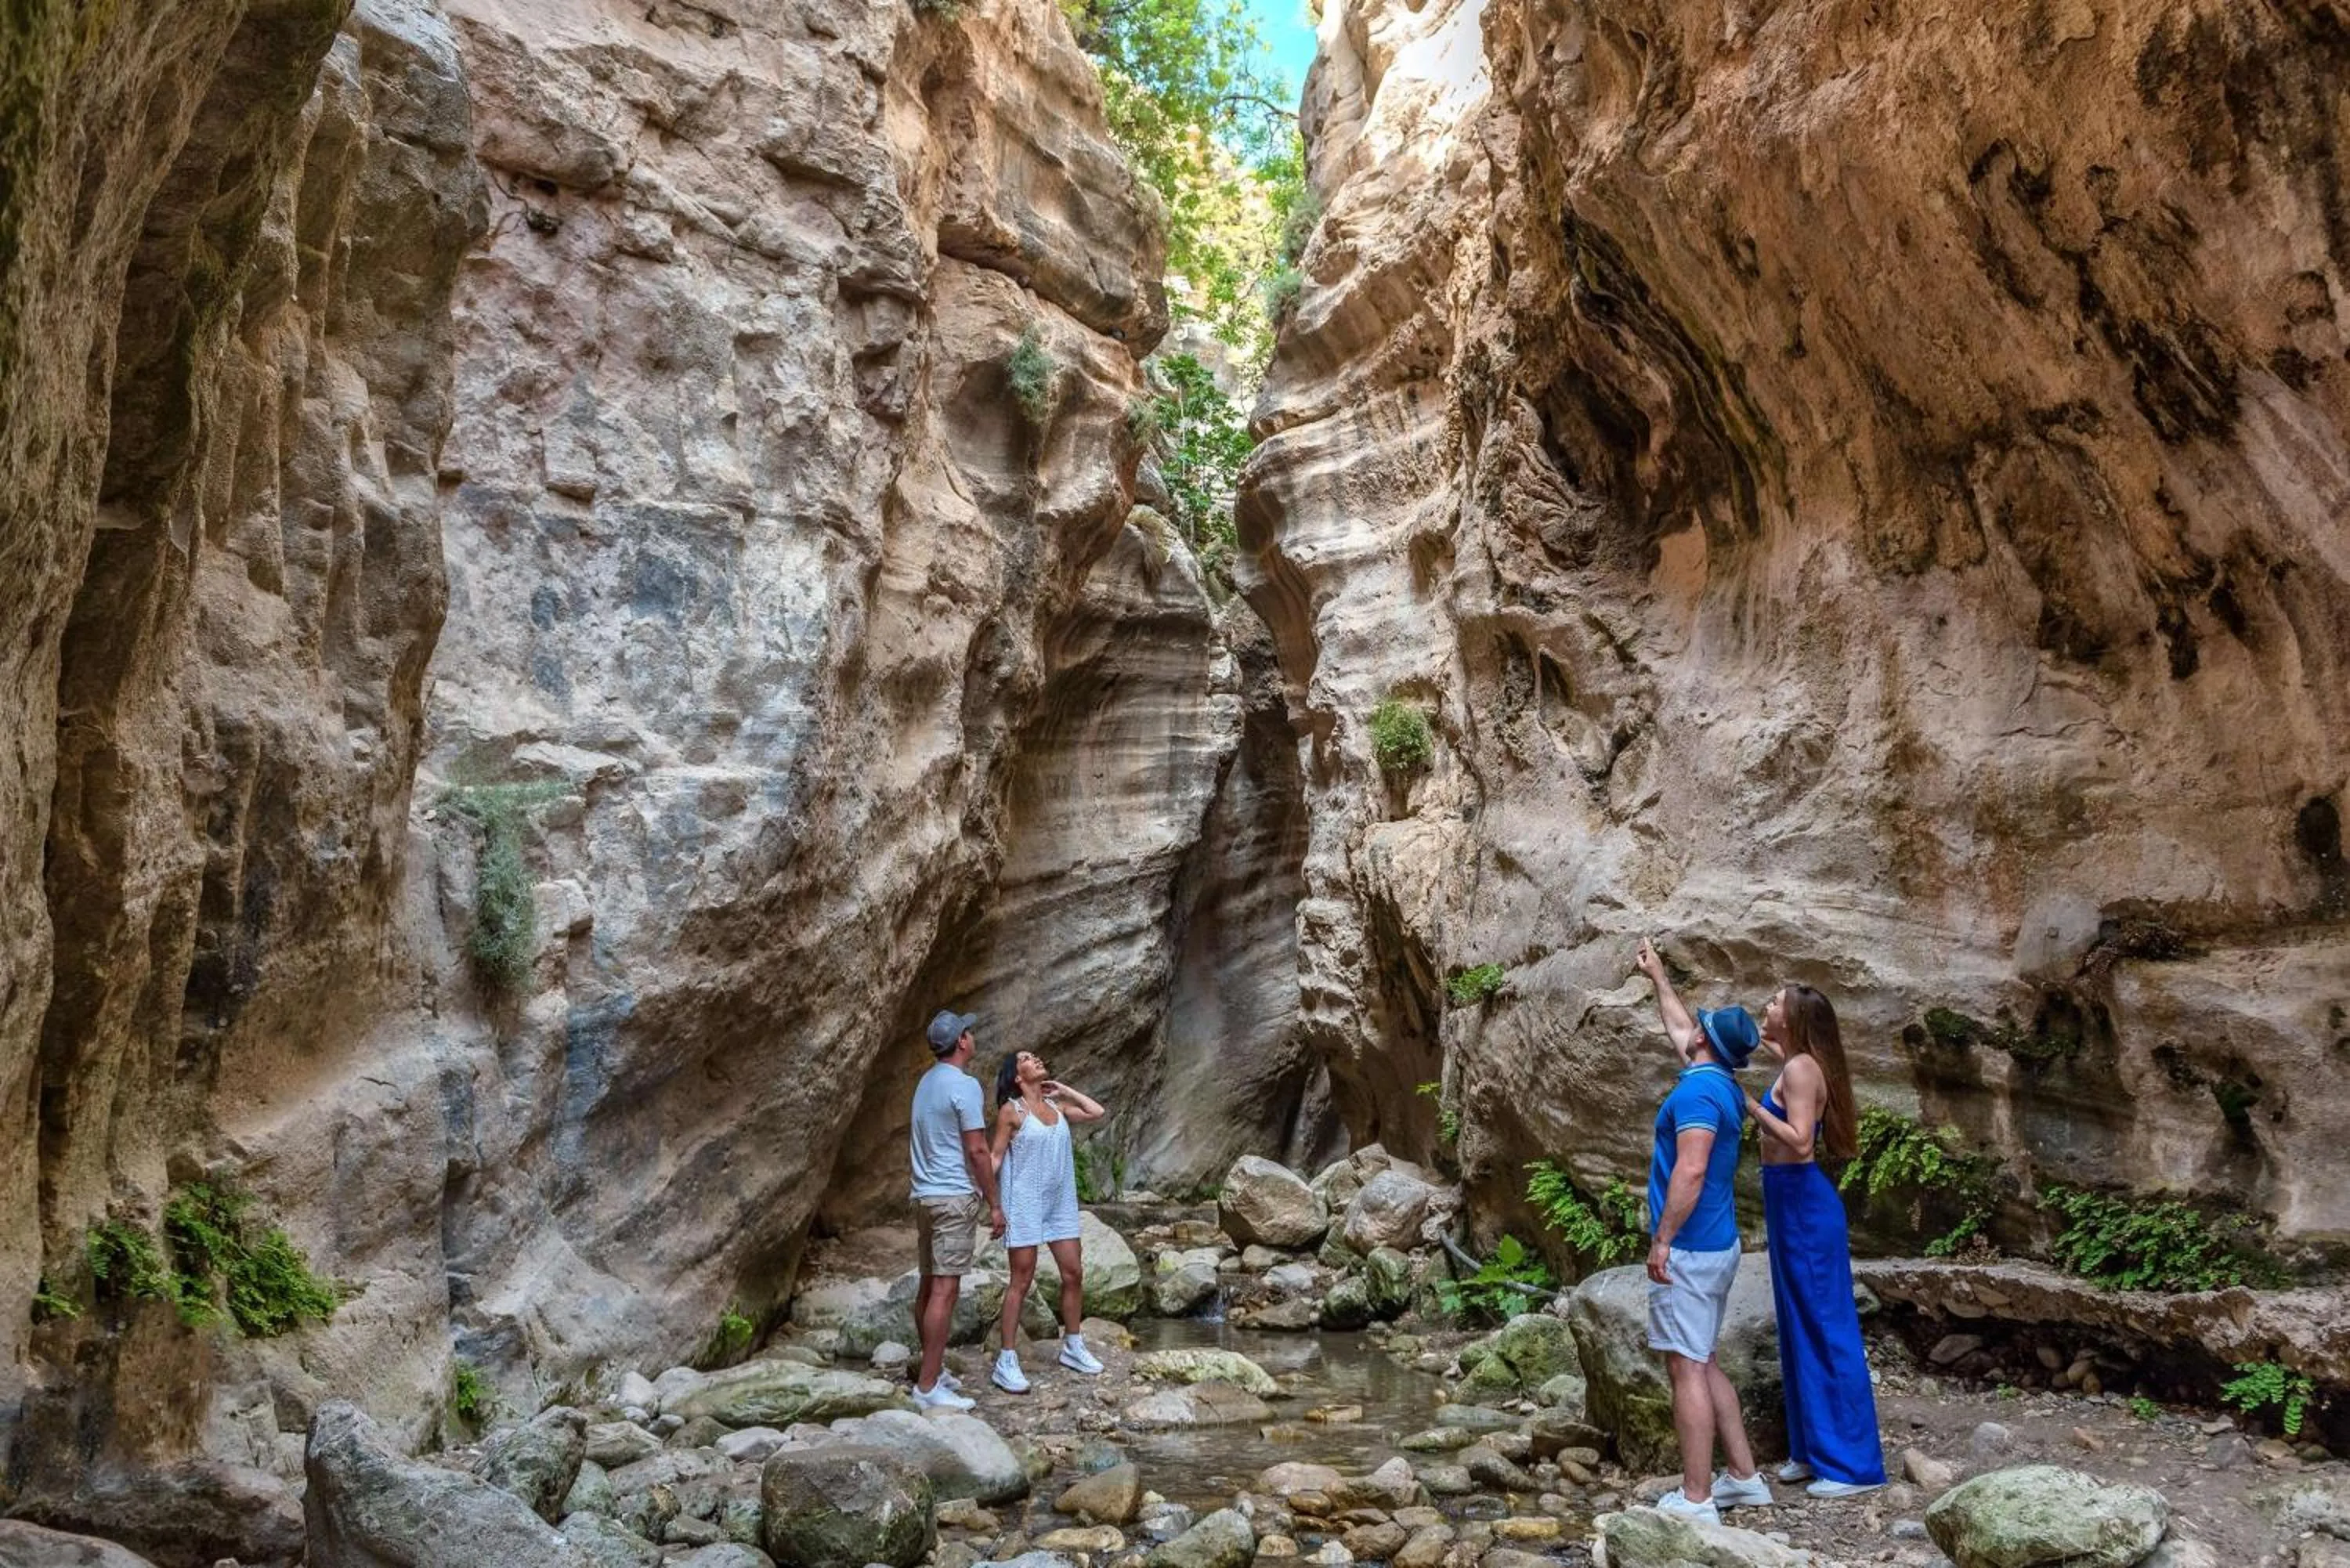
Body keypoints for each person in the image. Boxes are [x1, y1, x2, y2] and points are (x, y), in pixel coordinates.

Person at [1635, 936, 1770, 1524]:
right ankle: (1743, 1477)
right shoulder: (1721, 1085)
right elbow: (1681, 1028)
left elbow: (1690, 1168)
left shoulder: (1696, 1092)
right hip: (1720, 1244)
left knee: (1685, 1368)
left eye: (1699, 1025)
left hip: (1689, 1249)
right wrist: (1658, 978)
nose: (1689, 1027)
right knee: (1705, 1358)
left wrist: (1662, 1238)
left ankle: (1695, 1499)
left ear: (1702, 1042)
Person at [1741, 983, 1887, 1498]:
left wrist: (1749, 1105)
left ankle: (1852, 1467)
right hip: (1789, 1201)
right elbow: (1771, 1053)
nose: (1767, 1004)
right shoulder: (1798, 1062)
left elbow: (1802, 1141)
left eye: (1775, 1001)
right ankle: (1812, 1449)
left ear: (1796, 1016)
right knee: (1799, 1323)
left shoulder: (1801, 1070)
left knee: (1825, 1326)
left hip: (1802, 1201)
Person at [988, 1050, 1108, 1392]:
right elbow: (995, 1158)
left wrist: (1065, 1090)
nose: (1037, 1058)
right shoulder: (1012, 1112)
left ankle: (1073, 1345)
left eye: (1037, 1055)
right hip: (1024, 1204)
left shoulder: (1057, 1109)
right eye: (1027, 1058)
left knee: (1074, 1273)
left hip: (1060, 1204)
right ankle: (1006, 1361)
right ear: (1016, 1076)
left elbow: (1095, 1112)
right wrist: (989, 1201)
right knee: (1021, 1281)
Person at [908, 1009, 1006, 1411]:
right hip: (953, 1197)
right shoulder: (964, 1086)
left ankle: (931, 1371)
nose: (972, 1036)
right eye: (969, 1031)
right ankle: (928, 1387)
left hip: (924, 1196)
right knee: (945, 1291)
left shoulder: (925, 1083)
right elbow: (977, 1149)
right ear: (962, 1042)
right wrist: (995, 1203)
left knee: (930, 1287)